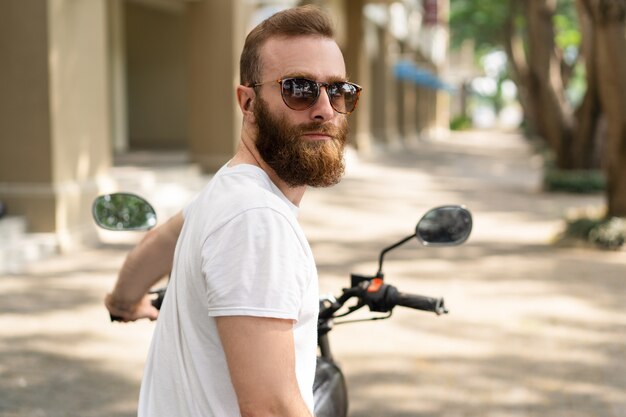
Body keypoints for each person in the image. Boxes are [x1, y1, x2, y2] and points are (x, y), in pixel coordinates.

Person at [104, 5, 362, 417]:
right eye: (299, 89)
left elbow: (158, 243)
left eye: (339, 91)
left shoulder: (226, 190)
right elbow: (271, 408)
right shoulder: (256, 221)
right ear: (248, 102)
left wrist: (123, 301)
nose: (325, 109)